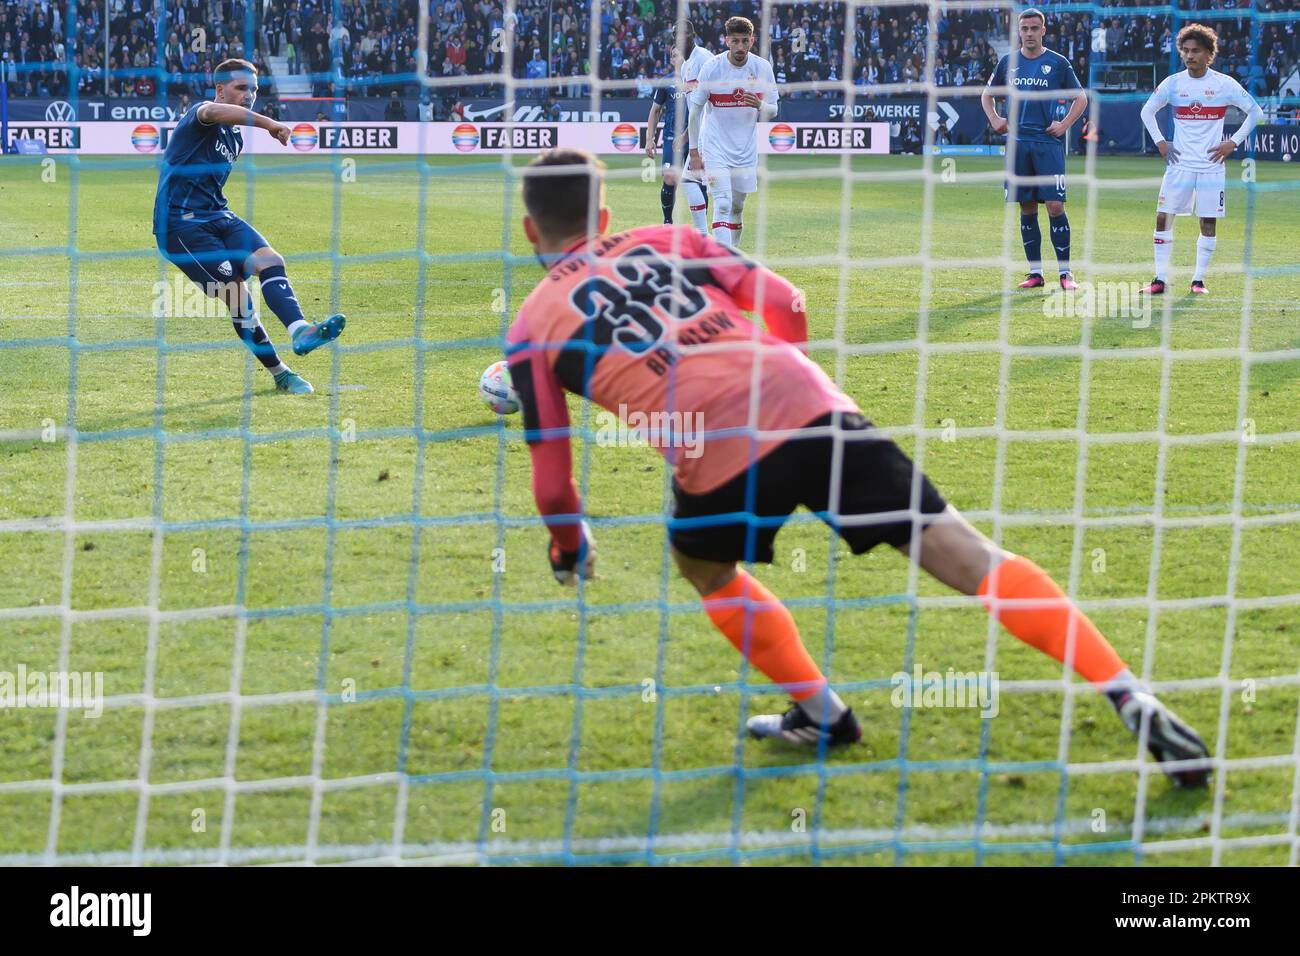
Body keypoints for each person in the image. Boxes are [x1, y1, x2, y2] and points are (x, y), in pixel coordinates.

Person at [504, 147, 1211, 787]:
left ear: (533, 231)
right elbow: (784, 300)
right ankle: (1126, 691)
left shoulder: (531, 326)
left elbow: (552, 479)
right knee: (972, 557)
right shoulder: (666, 239)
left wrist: (571, 546)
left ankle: (822, 712)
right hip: (810, 406)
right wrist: (794, 379)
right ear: (602, 214)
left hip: (715, 455)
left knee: (705, 569)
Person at [153, 59, 345, 395]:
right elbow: (215, 113)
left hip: (217, 215)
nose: (249, 95)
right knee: (239, 298)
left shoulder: (234, 139)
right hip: (180, 227)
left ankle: (300, 331)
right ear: (220, 90)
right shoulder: (202, 113)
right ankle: (281, 373)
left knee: (271, 260)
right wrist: (270, 124)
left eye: (254, 89)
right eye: (241, 88)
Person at [1138, 23, 1264, 295]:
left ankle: (1198, 280)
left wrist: (1232, 142)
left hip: (1211, 167)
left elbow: (1255, 112)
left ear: (1209, 53)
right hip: (1179, 165)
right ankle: (1159, 279)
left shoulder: (1223, 84)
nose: (1189, 55)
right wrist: (1161, 142)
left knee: (1208, 222)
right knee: (1163, 218)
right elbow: (1147, 111)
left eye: (1195, 50)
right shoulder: (1173, 83)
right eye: (1185, 50)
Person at [981, 8, 1089, 291]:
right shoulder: (1008, 62)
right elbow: (987, 95)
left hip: (1047, 145)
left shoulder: (1057, 62)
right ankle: (1035, 273)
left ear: (1043, 30)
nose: (1029, 33)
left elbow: (1081, 99)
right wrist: (995, 119)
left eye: (1034, 28)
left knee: (1055, 206)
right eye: (1024, 28)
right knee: (1026, 207)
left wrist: (1065, 125)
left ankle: (1065, 274)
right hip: (1017, 145)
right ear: (1019, 31)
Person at [686, 16, 778, 249]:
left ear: (752, 41)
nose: (740, 47)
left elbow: (774, 110)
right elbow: (695, 112)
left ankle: (733, 255)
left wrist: (758, 105)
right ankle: (723, 263)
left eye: (744, 41)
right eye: (735, 41)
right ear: (726, 41)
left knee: (737, 207)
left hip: (745, 150)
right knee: (723, 203)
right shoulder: (712, 68)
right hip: (715, 146)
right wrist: (694, 152)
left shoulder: (762, 68)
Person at [644, 20, 711, 231]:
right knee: (670, 179)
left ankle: (700, 227)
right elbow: (655, 111)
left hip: (695, 136)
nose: (676, 57)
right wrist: (649, 139)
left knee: (697, 180)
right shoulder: (666, 83)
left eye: (678, 54)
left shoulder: (696, 71)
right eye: (673, 55)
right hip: (672, 137)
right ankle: (667, 223)